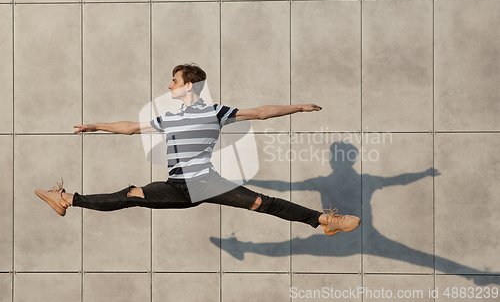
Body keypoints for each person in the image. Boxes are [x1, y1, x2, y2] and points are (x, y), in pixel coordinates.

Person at [34, 64, 360, 236]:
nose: (169, 85)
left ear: (188, 85)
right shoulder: (170, 118)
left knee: (264, 203)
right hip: (178, 187)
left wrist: (299, 107)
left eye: (173, 81)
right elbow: (131, 127)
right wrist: (96, 126)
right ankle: (66, 199)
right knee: (130, 195)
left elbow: (260, 112)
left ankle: (324, 220)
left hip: (205, 182)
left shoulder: (215, 112)